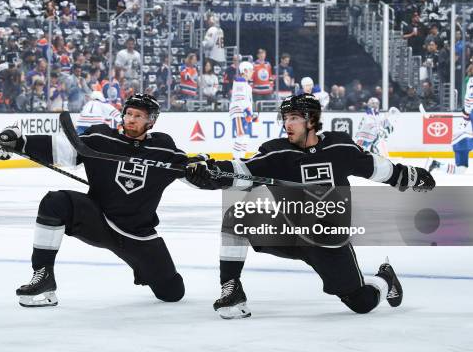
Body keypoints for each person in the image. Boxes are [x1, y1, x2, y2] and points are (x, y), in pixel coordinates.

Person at [185, 93, 435, 318]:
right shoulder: (276, 153)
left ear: (312, 120)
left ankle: (385, 279)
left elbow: (378, 169)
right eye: (285, 118)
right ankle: (231, 289)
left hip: (328, 242)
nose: (287, 124)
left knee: (362, 303)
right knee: (236, 217)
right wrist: (208, 173)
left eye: (294, 117)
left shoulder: (339, 147)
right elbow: (240, 172)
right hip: (289, 232)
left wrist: (411, 176)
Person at [0, 94, 203, 307]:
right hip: (98, 220)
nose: (131, 119)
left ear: (151, 121)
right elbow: (61, 150)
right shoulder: (101, 138)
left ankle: (149, 270)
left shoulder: (163, 147)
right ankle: (43, 275)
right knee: (55, 202)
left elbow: (191, 172)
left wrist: (201, 166)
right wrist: (19, 143)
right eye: (128, 113)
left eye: (138, 116)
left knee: (172, 292)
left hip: (138, 236)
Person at [428, 77, 473, 175]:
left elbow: (468, 105)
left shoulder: (470, 82)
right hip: (465, 138)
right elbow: (469, 104)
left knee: (460, 170)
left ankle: (436, 164)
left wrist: (466, 114)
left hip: (459, 139)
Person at [230, 61, 256, 159]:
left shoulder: (247, 85)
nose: (252, 72)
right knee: (241, 136)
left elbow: (247, 101)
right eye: (250, 70)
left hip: (245, 113)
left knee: (246, 138)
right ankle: (235, 159)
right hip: (239, 112)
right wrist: (248, 112)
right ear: (244, 71)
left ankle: (241, 158)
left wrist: (251, 114)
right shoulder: (239, 81)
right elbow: (240, 99)